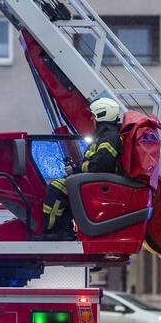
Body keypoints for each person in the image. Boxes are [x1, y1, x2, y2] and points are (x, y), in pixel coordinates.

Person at [42, 97, 124, 238]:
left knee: (56, 188)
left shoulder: (110, 137)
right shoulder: (106, 136)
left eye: (94, 115)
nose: (92, 118)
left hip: (102, 182)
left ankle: (55, 231)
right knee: (66, 188)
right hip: (100, 180)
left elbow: (101, 164)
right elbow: (96, 162)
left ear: (101, 115)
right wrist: (76, 169)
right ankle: (65, 229)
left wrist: (75, 170)